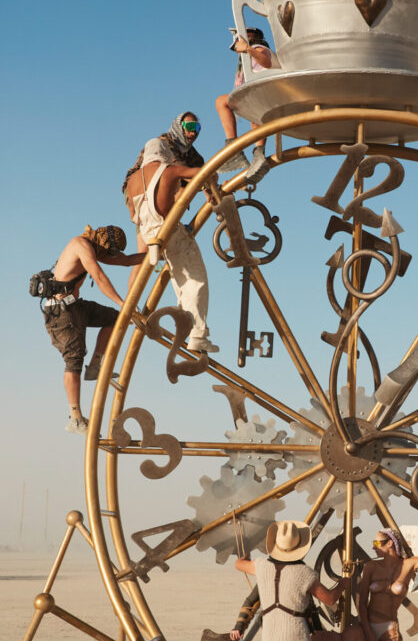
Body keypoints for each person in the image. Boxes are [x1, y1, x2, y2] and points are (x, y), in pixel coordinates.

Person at [124, 112, 219, 354]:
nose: (193, 130)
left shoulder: (136, 176)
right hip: (168, 226)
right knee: (195, 278)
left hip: (148, 223)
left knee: (175, 274)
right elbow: (208, 172)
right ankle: (197, 333)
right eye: (189, 125)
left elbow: (132, 211)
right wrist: (210, 188)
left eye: (197, 126)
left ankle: (134, 306)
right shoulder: (171, 169)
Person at [39, 225, 145, 433]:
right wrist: (123, 304)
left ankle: (95, 365)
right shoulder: (81, 245)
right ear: (105, 245)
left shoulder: (95, 248)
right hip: (60, 314)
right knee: (73, 360)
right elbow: (98, 276)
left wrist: (157, 251)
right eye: (109, 252)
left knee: (115, 319)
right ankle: (75, 417)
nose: (109, 256)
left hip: (75, 307)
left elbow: (125, 261)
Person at [215, 28, 278, 179]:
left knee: (223, 102)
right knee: (252, 118)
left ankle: (237, 148)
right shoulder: (245, 60)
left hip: (264, 95)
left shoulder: (259, 49)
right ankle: (255, 153)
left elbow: (266, 61)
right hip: (257, 95)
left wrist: (248, 49)